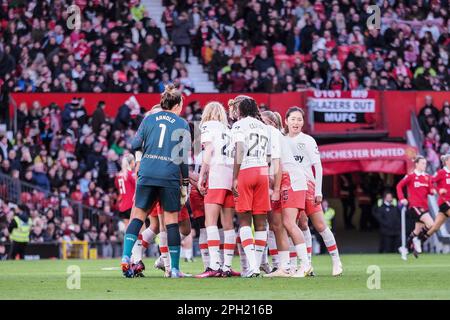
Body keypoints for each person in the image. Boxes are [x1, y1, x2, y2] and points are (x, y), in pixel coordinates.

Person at [121, 84, 191, 278]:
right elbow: (183, 158)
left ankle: (127, 257)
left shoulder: (149, 119)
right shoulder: (182, 123)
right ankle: (174, 269)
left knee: (137, 217)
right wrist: (184, 181)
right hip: (169, 175)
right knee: (171, 223)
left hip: (147, 173)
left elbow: (135, 144)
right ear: (177, 105)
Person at [284, 107, 342, 276]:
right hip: (292, 186)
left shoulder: (308, 140)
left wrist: (319, 190)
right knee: (298, 224)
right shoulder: (281, 140)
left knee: (320, 225)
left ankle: (336, 261)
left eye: (299, 119)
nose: (296, 122)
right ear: (286, 121)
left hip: (308, 186)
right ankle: (306, 264)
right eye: (293, 119)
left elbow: (318, 166)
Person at [195, 102, 239, 278]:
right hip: (230, 175)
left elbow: (209, 151)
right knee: (228, 224)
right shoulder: (228, 130)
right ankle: (227, 266)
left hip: (217, 174)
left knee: (210, 222)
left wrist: (201, 176)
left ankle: (214, 265)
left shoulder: (207, 126)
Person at [231, 95, 271, 277]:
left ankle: (253, 267)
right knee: (261, 223)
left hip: (246, 169)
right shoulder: (264, 126)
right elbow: (270, 156)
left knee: (245, 221)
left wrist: (235, 177)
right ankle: (257, 265)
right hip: (263, 170)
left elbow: (239, 149)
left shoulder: (239, 125)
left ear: (241, 110)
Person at [396, 155, 436, 258]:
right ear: (416, 164)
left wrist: (433, 191)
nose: (424, 165)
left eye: (425, 164)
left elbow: (430, 191)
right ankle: (417, 241)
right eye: (422, 163)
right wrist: (402, 198)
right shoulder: (411, 176)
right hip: (414, 207)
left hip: (424, 207)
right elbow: (399, 186)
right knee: (431, 224)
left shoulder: (427, 177)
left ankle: (405, 248)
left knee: (417, 231)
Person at [260, 110, 284, 275]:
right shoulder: (264, 136)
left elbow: (276, 162)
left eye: (263, 121)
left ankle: (282, 263)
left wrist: (275, 186)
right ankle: (269, 263)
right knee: (267, 225)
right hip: (266, 179)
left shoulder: (275, 135)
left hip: (277, 181)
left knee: (277, 225)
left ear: (272, 124)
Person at [418, 154, 450, 244]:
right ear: (446, 162)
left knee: (436, 227)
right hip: (444, 201)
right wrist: (439, 190)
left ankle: (419, 240)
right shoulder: (441, 172)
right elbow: (431, 181)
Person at [114, 154, 136, 227]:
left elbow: (117, 186)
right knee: (139, 227)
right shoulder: (130, 174)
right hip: (132, 205)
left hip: (123, 205)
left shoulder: (119, 176)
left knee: (128, 229)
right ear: (131, 162)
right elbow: (138, 186)